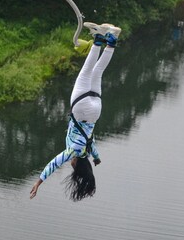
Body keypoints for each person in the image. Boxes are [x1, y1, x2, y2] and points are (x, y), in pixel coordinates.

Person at [30, 22, 121, 201]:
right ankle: (99, 38)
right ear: (76, 164)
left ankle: (111, 40)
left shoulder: (86, 149)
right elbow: (54, 163)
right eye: (73, 166)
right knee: (86, 72)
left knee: (97, 72)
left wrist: (97, 158)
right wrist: (38, 182)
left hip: (95, 110)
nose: (70, 164)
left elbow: (93, 144)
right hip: (81, 109)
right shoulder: (74, 151)